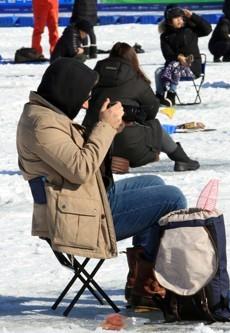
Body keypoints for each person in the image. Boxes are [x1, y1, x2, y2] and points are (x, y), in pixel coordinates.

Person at [16, 58, 188, 310]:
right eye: (84, 96)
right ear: (67, 90)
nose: (86, 103)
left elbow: (78, 159)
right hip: (76, 219)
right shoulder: (43, 124)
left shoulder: (47, 115)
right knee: (172, 198)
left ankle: (139, 280)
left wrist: (110, 129)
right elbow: (80, 168)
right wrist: (104, 127)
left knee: (156, 182)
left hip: (80, 202)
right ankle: (145, 284)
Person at [82, 42, 200, 173]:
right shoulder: (136, 79)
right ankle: (182, 159)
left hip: (94, 139)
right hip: (128, 143)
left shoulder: (94, 76)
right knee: (154, 127)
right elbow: (152, 108)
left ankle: (110, 158)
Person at [156, 7, 212, 106]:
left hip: (193, 67)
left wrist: (192, 16)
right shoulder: (165, 36)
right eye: (175, 18)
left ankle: (171, 95)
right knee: (159, 72)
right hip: (174, 66)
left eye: (180, 17)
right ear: (169, 21)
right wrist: (178, 57)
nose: (179, 20)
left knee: (175, 67)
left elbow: (208, 29)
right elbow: (167, 54)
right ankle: (160, 97)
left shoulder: (190, 29)